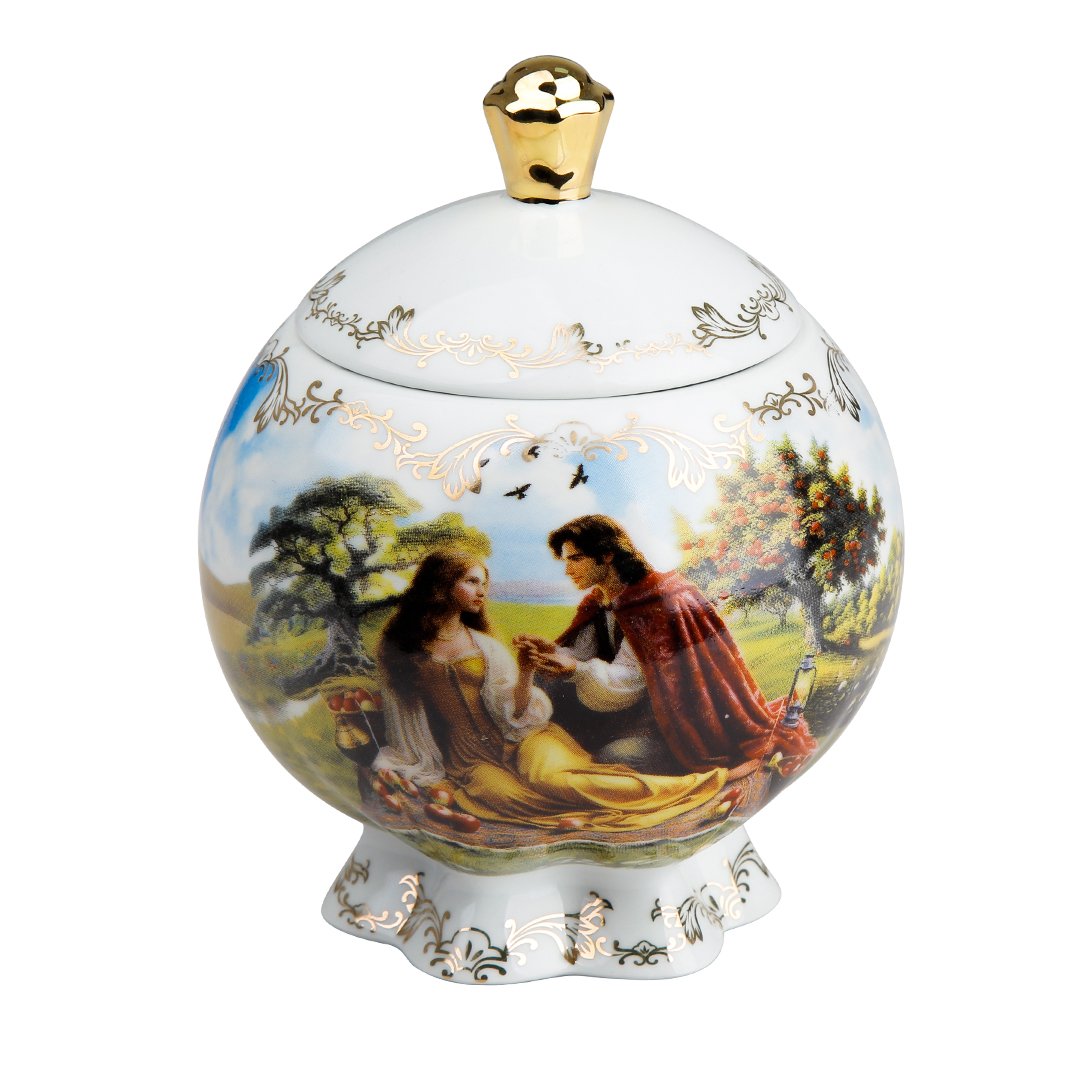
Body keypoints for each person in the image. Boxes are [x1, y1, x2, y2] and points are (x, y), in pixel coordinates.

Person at [372, 549, 728, 832]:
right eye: (471, 582)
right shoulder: (404, 651)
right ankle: (602, 813)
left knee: (554, 780)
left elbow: (515, 710)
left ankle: (688, 787)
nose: (482, 591)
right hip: (470, 760)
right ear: (441, 584)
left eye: (484, 583)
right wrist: (428, 771)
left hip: (527, 737)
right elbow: (406, 720)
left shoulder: (485, 646)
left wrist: (526, 671)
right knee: (509, 798)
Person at [516, 516, 817, 775]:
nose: (568, 569)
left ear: (606, 555)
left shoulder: (657, 601)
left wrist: (576, 670)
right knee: (547, 687)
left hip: (672, 726)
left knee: (615, 758)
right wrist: (552, 654)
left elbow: (631, 678)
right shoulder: (600, 602)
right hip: (619, 715)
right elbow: (585, 653)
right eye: (566, 561)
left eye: (576, 559)